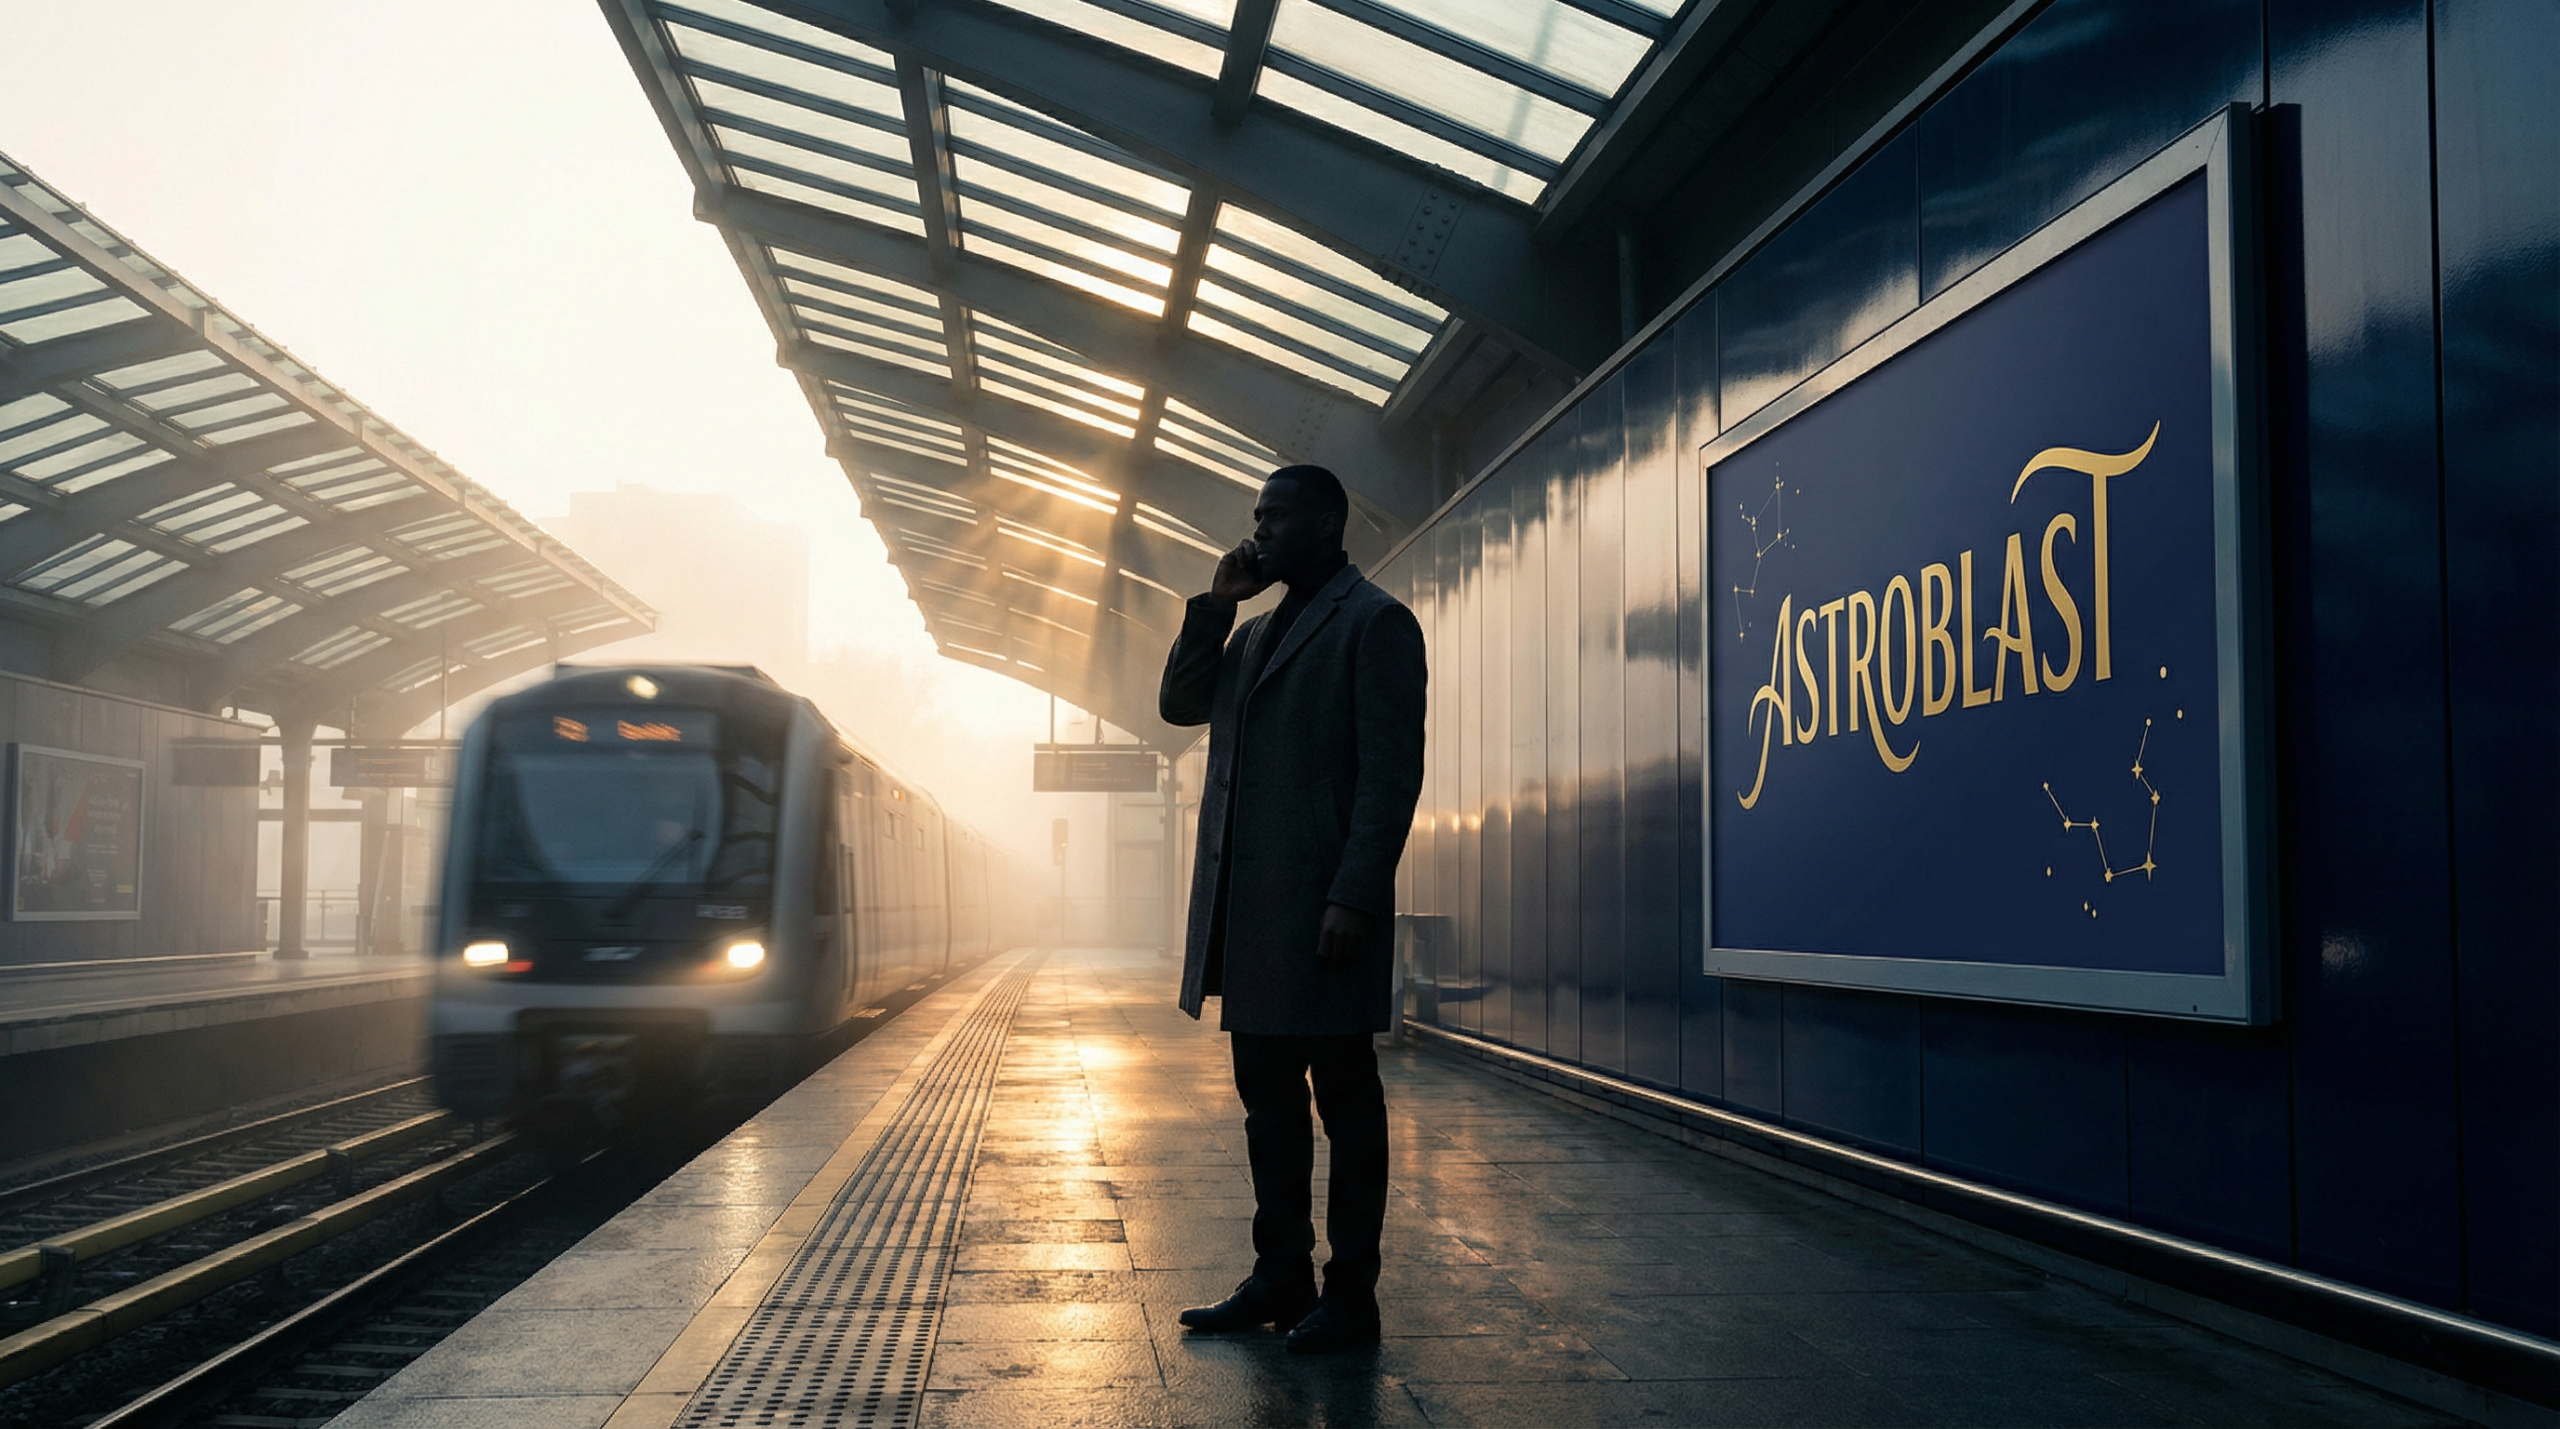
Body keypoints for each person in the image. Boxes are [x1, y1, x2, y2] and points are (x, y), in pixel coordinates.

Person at [1157, 463, 1427, 1354]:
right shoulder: (1254, 634)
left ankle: (1352, 1294)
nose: (1259, 530)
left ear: (1324, 526)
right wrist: (1215, 604)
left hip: (1324, 917)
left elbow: (1390, 778)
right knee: (1266, 1108)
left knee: (1346, 1106)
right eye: (1256, 516)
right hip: (1255, 918)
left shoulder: (1376, 623)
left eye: (1277, 517)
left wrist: (1355, 892)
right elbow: (1179, 705)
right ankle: (1281, 1274)